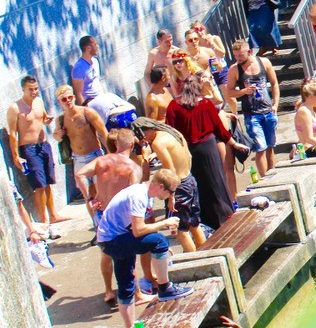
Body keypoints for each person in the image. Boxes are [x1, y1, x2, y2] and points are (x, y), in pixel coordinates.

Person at [97, 169, 192, 328]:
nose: (171, 196)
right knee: (160, 240)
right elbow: (138, 231)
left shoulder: (145, 194)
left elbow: (141, 232)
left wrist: (159, 253)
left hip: (112, 239)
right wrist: (164, 224)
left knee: (126, 285)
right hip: (113, 241)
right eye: (170, 192)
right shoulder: (139, 196)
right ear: (161, 187)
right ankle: (165, 289)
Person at [74, 129, 143, 307]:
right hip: (120, 216)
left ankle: (107, 291)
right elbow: (133, 195)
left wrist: (88, 198)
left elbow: (79, 174)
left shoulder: (101, 161)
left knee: (105, 254)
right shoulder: (132, 168)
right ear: (131, 145)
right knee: (128, 254)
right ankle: (136, 292)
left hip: (102, 212)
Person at [166, 75, 236, 229]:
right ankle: (224, 216)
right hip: (208, 148)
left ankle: (204, 219)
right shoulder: (205, 104)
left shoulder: (173, 106)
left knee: (198, 185)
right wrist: (232, 142)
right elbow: (219, 128)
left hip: (187, 150)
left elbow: (169, 130)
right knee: (216, 181)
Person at [130, 117, 204, 252]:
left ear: (146, 132)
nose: (145, 141)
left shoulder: (158, 143)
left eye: (144, 138)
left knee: (179, 230)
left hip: (178, 187)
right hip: (189, 179)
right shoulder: (172, 132)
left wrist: (171, 197)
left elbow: (170, 172)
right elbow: (188, 156)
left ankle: (194, 263)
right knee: (194, 224)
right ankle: (206, 254)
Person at [7, 76, 66, 237]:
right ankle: (44, 222)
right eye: (30, 89)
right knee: (38, 185)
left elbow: (43, 119)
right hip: (28, 149)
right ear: (23, 89)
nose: (33, 92)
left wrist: (48, 121)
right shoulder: (15, 108)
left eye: (35, 88)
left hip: (43, 146)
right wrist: (15, 156)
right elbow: (12, 134)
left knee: (47, 182)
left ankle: (53, 216)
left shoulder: (39, 101)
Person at [226, 40, 280, 179]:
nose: (238, 59)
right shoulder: (235, 69)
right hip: (252, 114)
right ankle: (264, 178)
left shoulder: (264, 62)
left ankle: (272, 173)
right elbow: (229, 92)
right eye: (236, 55)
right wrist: (244, 91)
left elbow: (274, 84)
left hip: (268, 110)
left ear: (249, 52)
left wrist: (275, 104)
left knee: (270, 146)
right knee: (260, 147)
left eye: (240, 55)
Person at [54, 83, 107, 220]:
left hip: (94, 156)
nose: (68, 101)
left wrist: (111, 155)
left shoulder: (86, 112)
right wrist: (58, 135)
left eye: (70, 97)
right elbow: (56, 136)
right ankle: (97, 226)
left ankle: (108, 224)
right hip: (77, 159)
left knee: (100, 191)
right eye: (64, 99)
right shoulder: (60, 119)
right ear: (59, 102)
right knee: (87, 196)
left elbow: (103, 133)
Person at [213, 0, 281, 57]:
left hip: (264, 5)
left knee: (266, 26)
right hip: (252, 7)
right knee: (253, 28)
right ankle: (262, 47)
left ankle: (273, 46)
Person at [70, 35, 133, 127]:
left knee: (128, 109)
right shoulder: (79, 68)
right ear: (88, 48)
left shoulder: (95, 62)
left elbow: (97, 82)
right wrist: (84, 113)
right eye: (95, 44)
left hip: (102, 97)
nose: (97, 46)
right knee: (115, 120)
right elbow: (78, 93)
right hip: (91, 102)